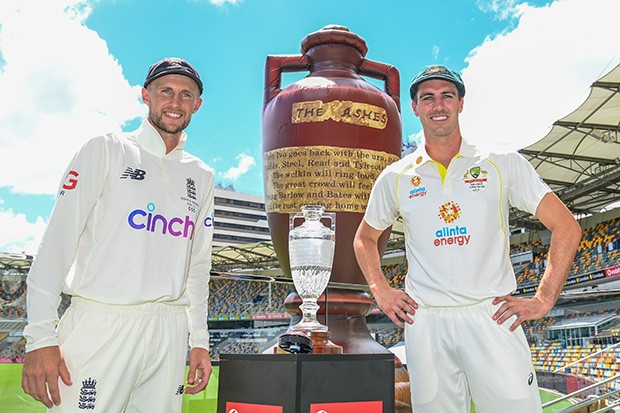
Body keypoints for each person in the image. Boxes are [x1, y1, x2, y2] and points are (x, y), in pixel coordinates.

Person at [353, 64, 582, 413]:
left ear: (461, 103)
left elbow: (567, 226)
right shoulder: (395, 176)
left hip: (491, 316)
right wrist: (380, 290)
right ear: (415, 108)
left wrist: (543, 299)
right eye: (427, 98)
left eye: (447, 96)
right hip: (426, 321)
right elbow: (364, 238)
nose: (438, 105)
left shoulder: (501, 162)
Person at [21, 57, 214, 412]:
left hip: (168, 331)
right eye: (165, 91)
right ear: (146, 96)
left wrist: (198, 339)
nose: (175, 102)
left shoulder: (201, 175)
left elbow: (198, 267)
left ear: (197, 105)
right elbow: (56, 245)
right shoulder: (106, 148)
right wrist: (39, 337)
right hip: (102, 322)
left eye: (186, 95)